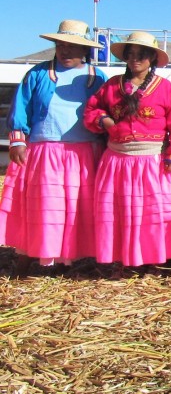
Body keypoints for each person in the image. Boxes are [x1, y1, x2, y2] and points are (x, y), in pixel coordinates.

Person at [0, 19, 108, 277]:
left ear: (84, 50)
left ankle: (63, 261)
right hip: (44, 151)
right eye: (61, 45)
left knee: (72, 208)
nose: (65, 51)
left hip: (82, 153)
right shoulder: (37, 74)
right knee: (40, 206)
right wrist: (17, 140)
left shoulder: (96, 77)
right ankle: (25, 258)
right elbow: (21, 108)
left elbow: (105, 110)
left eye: (71, 46)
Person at [83, 31, 171, 273]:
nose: (136, 59)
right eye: (131, 54)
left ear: (152, 58)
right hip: (117, 160)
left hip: (153, 160)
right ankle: (123, 255)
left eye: (142, 55)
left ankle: (154, 256)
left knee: (152, 212)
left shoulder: (165, 89)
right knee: (120, 209)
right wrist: (105, 121)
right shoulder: (112, 86)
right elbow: (91, 111)